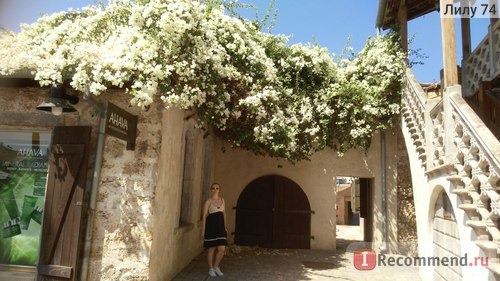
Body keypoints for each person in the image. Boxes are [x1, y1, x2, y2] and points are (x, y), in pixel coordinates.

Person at [201, 182, 227, 277]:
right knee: (212, 248)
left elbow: (224, 214)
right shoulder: (208, 201)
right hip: (211, 227)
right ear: (211, 190)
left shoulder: (223, 200)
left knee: (222, 249)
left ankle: (216, 266)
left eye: (217, 188)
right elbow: (204, 216)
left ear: (219, 190)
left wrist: (225, 227)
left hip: (221, 228)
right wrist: (203, 230)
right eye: (213, 188)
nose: (215, 190)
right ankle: (211, 268)